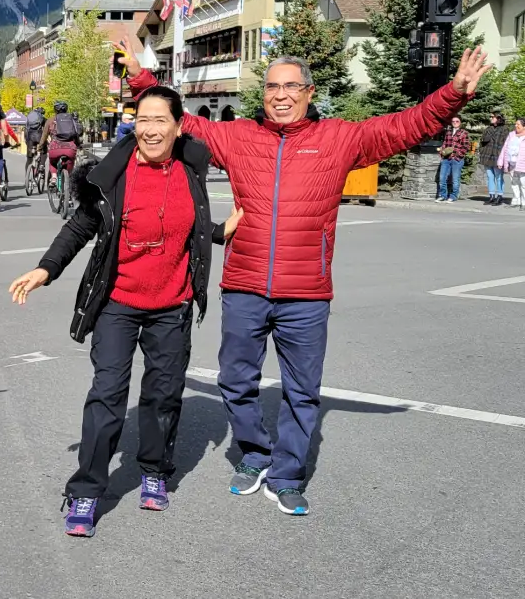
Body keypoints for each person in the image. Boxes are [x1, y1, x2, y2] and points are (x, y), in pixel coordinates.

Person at [119, 37, 492, 515]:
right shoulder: (237, 138)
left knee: (302, 391)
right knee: (235, 380)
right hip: (244, 285)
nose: (280, 95)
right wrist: (142, 79)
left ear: (309, 93)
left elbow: (404, 127)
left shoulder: (340, 139)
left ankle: (288, 474)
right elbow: (181, 122)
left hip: (307, 293)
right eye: (272, 86)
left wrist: (454, 93)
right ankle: (254, 454)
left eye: (291, 86)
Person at [9, 86, 243, 537]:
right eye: (143, 119)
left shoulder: (192, 169)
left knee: (162, 396)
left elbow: (186, 223)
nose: (151, 129)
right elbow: (81, 225)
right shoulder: (113, 174)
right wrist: (46, 269)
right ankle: (85, 490)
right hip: (118, 303)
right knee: (107, 396)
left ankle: (154, 469)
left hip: (171, 306)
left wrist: (219, 232)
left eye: (160, 120)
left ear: (178, 127)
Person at [44, 101, 83, 185]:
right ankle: (67, 178)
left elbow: (44, 136)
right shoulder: (71, 119)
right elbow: (76, 134)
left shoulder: (51, 120)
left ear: (55, 110)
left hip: (55, 147)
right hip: (70, 148)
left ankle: (54, 177)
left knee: (52, 162)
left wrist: (40, 147)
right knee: (70, 161)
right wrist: (79, 145)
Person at [437, 115, 472, 202]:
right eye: (453, 121)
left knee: (455, 179)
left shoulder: (464, 133)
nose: (455, 123)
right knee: (442, 178)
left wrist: (458, 156)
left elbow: (466, 146)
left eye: (457, 121)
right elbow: (445, 144)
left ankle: (453, 196)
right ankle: (442, 195)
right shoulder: (448, 132)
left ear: (460, 122)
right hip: (446, 158)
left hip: (456, 160)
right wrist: (442, 152)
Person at [479, 113, 509, 206]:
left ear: (498, 119)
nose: (491, 118)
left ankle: (499, 196)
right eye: (490, 117)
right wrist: (482, 150)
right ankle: (491, 196)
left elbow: (506, 144)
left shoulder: (504, 129)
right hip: (487, 155)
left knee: (498, 177)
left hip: (497, 156)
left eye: (493, 117)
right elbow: (482, 141)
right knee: (489, 177)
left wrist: (503, 157)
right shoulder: (488, 129)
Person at [498, 117, 525, 210]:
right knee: (514, 183)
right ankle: (516, 201)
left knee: (523, 183)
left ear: (524, 126)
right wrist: (500, 161)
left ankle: (523, 202)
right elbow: (505, 148)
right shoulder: (511, 135)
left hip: (522, 163)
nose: (516, 126)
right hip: (511, 163)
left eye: (518, 124)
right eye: (515, 124)